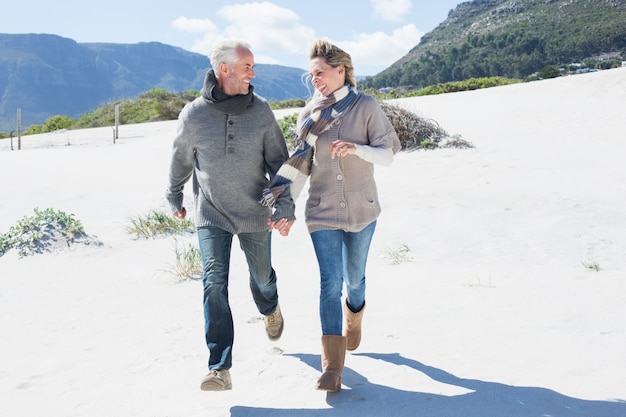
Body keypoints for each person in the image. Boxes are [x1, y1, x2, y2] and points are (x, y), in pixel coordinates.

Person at [261, 40, 400, 392]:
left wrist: (358, 149)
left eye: (320, 73)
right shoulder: (308, 115)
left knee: (355, 281)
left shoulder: (366, 106)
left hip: (363, 210)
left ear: (341, 70)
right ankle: (332, 368)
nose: (315, 80)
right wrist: (283, 208)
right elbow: (301, 167)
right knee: (329, 284)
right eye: (312, 76)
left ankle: (355, 316)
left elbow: (387, 154)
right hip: (321, 212)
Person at [165, 39, 295, 392]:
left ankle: (269, 307)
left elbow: (279, 164)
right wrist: (174, 194)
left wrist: (284, 205)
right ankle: (219, 367)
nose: (253, 73)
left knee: (262, 277)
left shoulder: (262, 111)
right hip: (212, 212)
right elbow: (181, 157)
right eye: (247, 66)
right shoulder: (193, 114)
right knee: (213, 282)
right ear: (225, 70)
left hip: (255, 211)